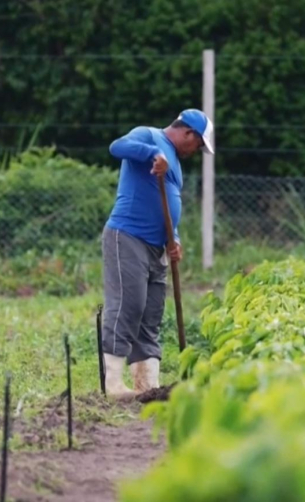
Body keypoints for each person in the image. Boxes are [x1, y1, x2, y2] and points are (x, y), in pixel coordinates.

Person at [101, 108, 214, 397]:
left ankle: (147, 386)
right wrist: (152, 154)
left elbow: (166, 205)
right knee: (129, 304)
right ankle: (112, 384)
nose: (196, 150)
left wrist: (173, 239)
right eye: (198, 144)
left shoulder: (174, 160)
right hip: (128, 237)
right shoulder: (148, 135)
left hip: (157, 248)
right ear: (188, 132)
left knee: (151, 313)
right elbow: (117, 147)